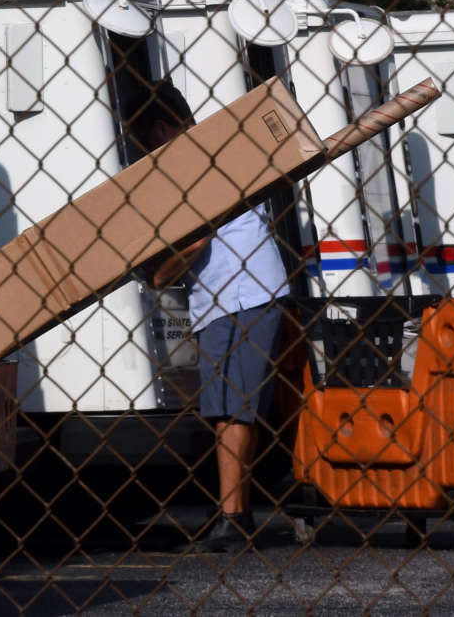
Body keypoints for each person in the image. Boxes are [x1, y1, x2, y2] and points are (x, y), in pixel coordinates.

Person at [126, 82, 290, 554]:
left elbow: (195, 243)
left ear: (159, 128)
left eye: (143, 139)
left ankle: (234, 518)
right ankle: (232, 511)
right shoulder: (212, 151)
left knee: (234, 407)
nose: (144, 151)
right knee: (223, 409)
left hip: (243, 294)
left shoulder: (198, 161)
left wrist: (160, 273)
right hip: (223, 297)